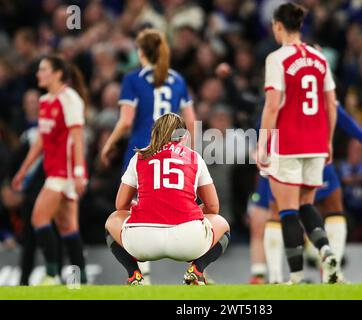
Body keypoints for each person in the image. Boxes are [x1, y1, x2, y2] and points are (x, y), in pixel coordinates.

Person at [249, 103, 362, 284]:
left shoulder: (281, 80)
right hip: (316, 151)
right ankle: (331, 271)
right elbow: (339, 114)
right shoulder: (320, 77)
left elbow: (269, 112)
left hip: (284, 154)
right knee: (332, 207)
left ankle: (279, 278)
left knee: (280, 211)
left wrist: (262, 146)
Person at [100, 28, 196, 283]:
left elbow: (126, 119)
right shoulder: (177, 79)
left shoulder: (133, 79)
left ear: (140, 51)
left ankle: (142, 276)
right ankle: (198, 269)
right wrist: (190, 153)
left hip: (142, 151)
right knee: (181, 206)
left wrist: (109, 142)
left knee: (135, 210)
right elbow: (192, 121)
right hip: (173, 153)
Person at [257, 3, 339, 284]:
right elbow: (331, 105)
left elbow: (271, 106)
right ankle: (326, 250)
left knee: (288, 210)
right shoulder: (320, 58)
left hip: (289, 141)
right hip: (316, 142)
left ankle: (296, 276)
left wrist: (262, 144)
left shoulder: (277, 59)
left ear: (278, 26)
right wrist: (328, 141)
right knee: (307, 204)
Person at [105, 113, 230, 285]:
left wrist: (139, 206)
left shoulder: (140, 156)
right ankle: (197, 270)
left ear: (155, 133)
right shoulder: (194, 157)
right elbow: (213, 206)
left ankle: (134, 274)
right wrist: (193, 212)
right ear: (183, 136)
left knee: (112, 220)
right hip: (188, 240)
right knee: (222, 224)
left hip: (143, 240)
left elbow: (120, 205)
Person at [12, 55, 89, 285]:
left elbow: (77, 138)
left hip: (63, 173)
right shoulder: (45, 101)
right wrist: (23, 170)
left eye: (43, 69)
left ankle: (52, 274)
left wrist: (78, 172)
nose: (38, 74)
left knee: (39, 218)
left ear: (57, 73)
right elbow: (40, 143)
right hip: (53, 171)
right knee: (68, 227)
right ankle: (81, 279)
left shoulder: (70, 99)